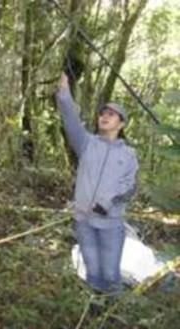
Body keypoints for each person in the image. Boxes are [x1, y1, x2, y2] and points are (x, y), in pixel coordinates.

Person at [55, 73, 139, 294]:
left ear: (121, 124)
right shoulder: (86, 144)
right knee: (92, 274)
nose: (105, 116)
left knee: (110, 275)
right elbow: (71, 120)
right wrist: (64, 93)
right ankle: (94, 315)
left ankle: (114, 317)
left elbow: (129, 187)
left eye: (112, 114)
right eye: (103, 113)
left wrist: (106, 202)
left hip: (111, 224)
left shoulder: (129, 154)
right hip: (83, 221)